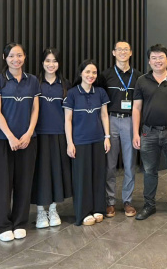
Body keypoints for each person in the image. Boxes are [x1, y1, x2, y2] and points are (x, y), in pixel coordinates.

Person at [0, 43, 41, 242]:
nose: (15, 59)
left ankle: (20, 223)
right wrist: (10, 136)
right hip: (3, 140)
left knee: (24, 182)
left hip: (28, 140)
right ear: (5, 58)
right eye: (11, 56)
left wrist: (29, 133)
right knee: (3, 183)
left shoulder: (32, 80)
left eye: (19, 55)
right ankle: (3, 225)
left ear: (24, 57)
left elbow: (35, 109)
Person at [132, 44, 167, 220]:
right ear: (149, 61)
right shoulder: (142, 81)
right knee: (149, 170)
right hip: (148, 133)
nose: (158, 61)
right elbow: (136, 108)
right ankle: (149, 205)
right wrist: (135, 133)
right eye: (154, 58)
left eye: (161, 57)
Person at [63, 59, 111, 226]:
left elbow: (104, 115)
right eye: (88, 72)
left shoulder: (100, 92)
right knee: (82, 177)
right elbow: (68, 120)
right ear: (81, 73)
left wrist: (107, 137)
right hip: (80, 141)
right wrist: (70, 143)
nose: (91, 75)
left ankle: (98, 208)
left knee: (98, 175)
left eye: (94, 72)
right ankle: (83, 212)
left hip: (98, 139)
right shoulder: (72, 93)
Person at [98, 41, 142, 218]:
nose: (123, 52)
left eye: (126, 49)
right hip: (110, 120)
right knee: (110, 165)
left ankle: (127, 201)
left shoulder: (138, 76)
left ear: (130, 53)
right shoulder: (105, 75)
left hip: (130, 121)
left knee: (130, 164)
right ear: (113, 52)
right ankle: (110, 201)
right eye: (119, 49)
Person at [31, 48, 72, 229]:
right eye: (47, 60)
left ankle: (53, 209)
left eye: (54, 61)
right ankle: (40, 211)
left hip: (59, 135)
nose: (51, 64)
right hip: (38, 135)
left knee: (56, 172)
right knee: (40, 173)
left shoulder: (65, 84)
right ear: (42, 63)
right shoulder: (34, 83)